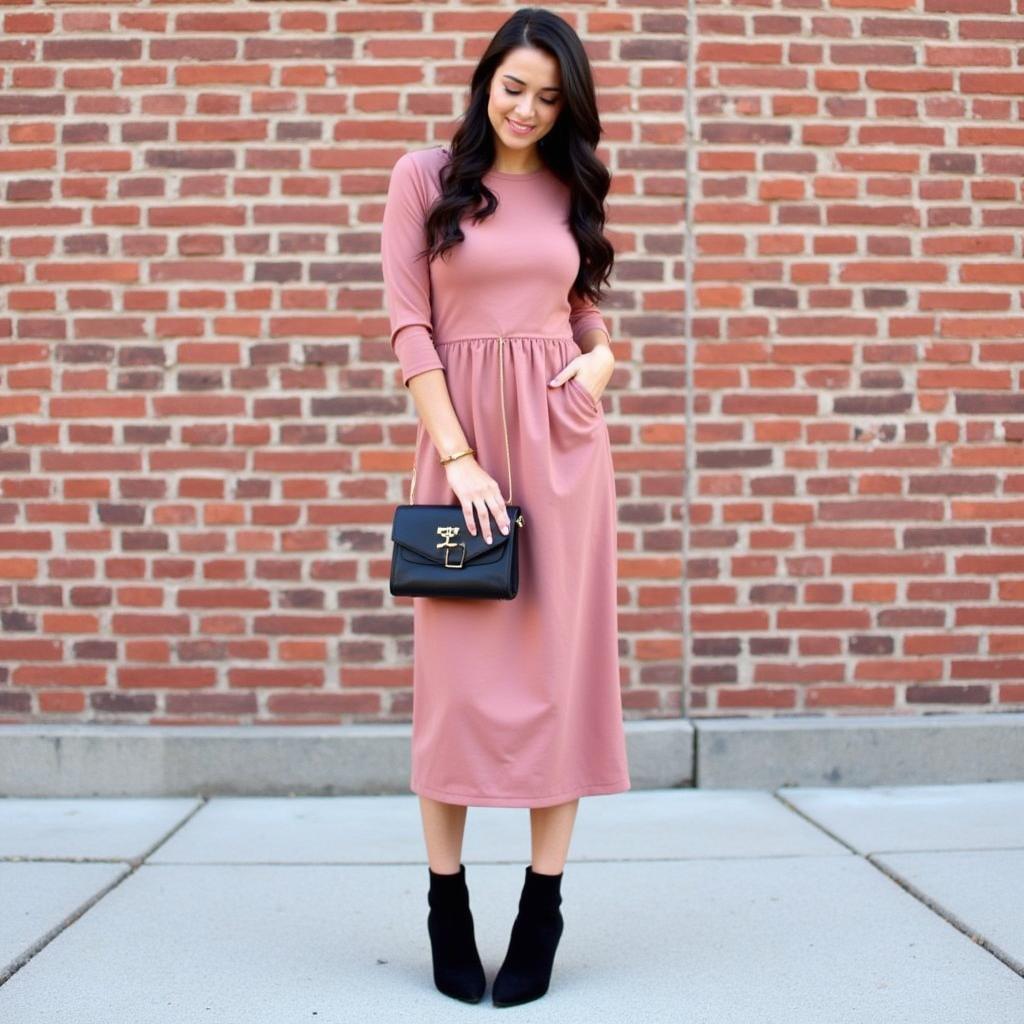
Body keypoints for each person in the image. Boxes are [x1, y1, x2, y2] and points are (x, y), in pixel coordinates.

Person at [380, 7, 630, 1009]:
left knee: (558, 680)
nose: (526, 108)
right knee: (453, 686)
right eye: (513, 85)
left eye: (548, 96)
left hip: (563, 453)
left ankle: (541, 907)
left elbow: (578, 305)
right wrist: (458, 458)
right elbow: (410, 326)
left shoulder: (569, 186)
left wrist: (602, 360)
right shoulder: (424, 178)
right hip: (461, 455)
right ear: (487, 77)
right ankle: (446, 905)